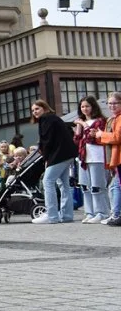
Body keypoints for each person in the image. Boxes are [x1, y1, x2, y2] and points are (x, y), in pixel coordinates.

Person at [31, 99, 77, 224]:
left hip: (58, 155)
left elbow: (47, 141)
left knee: (48, 181)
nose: (35, 112)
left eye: (37, 109)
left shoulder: (46, 119)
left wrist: (46, 158)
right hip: (68, 154)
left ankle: (51, 215)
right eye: (33, 110)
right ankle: (67, 215)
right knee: (64, 184)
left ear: (44, 108)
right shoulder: (54, 118)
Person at [72, 96, 109, 224]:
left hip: (97, 157)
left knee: (97, 186)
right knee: (85, 186)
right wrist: (79, 128)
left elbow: (91, 138)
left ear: (93, 106)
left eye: (87, 106)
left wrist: (82, 124)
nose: (84, 109)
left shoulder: (100, 121)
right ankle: (90, 212)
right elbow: (77, 141)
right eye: (82, 106)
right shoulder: (82, 122)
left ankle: (102, 212)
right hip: (83, 158)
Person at [95, 92, 121, 226]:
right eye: (109, 103)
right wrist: (98, 136)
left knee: (115, 187)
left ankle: (116, 215)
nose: (112, 105)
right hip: (115, 158)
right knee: (114, 186)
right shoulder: (112, 119)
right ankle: (116, 214)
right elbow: (107, 140)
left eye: (115, 103)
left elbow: (117, 137)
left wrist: (102, 134)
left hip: (119, 158)